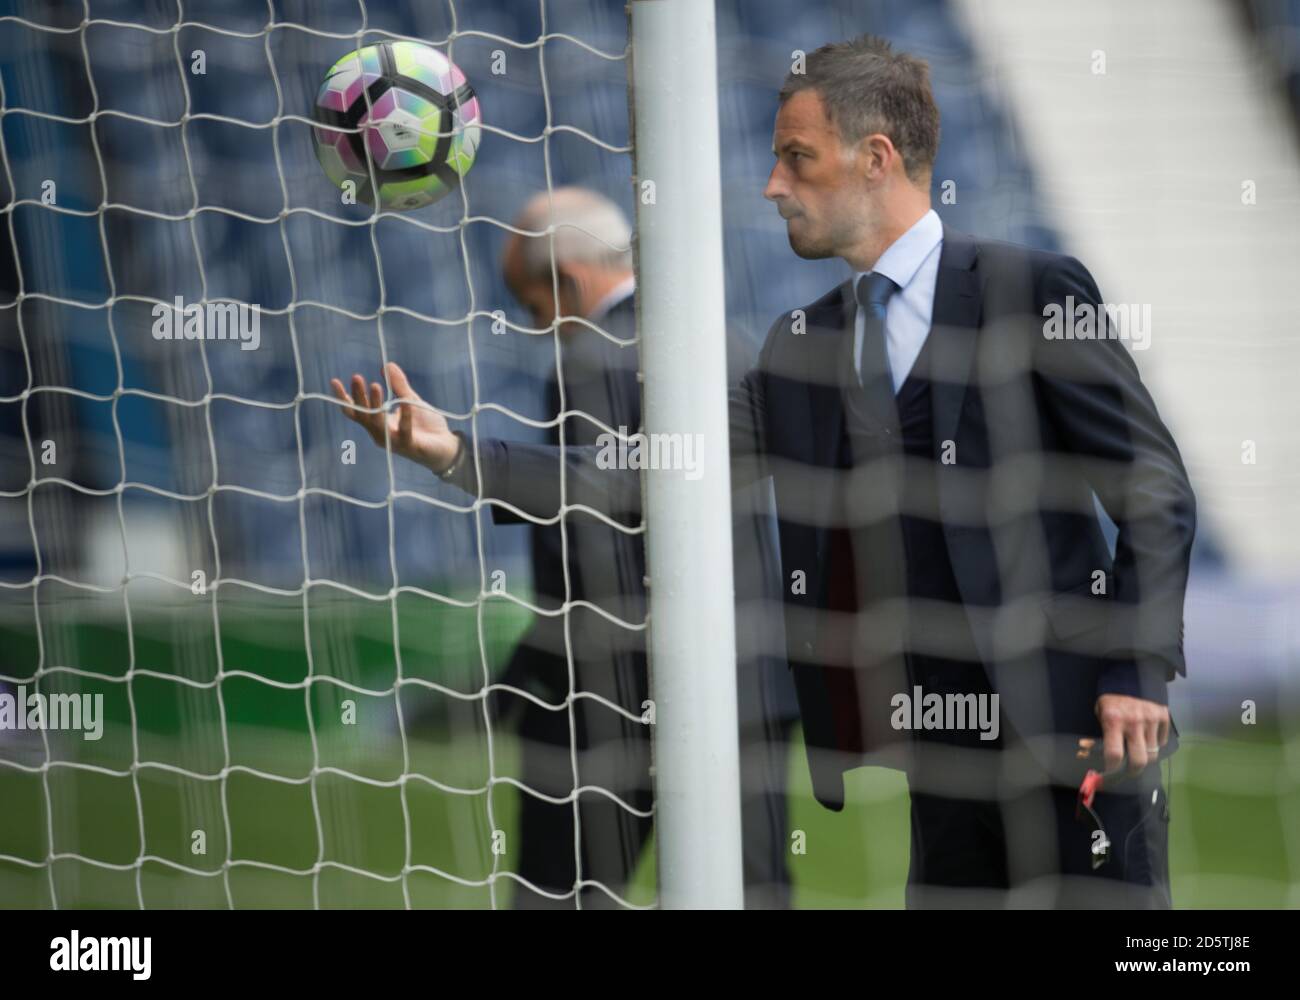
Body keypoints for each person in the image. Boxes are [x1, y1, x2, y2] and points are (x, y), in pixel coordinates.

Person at [332, 36, 1195, 908]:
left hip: (1079, 732)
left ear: (875, 158)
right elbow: (665, 474)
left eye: (796, 158)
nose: (772, 185)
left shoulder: (1031, 290)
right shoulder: (800, 346)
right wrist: (456, 454)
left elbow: (1152, 487)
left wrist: (1135, 674)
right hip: (938, 764)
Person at [342, 186, 798, 908]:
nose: (541, 327)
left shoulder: (594, 360)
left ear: (568, 282)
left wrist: (457, 454)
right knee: (751, 896)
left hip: (610, 694)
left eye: (532, 306)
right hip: (746, 686)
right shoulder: (729, 340)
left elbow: (597, 503)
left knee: (557, 896)